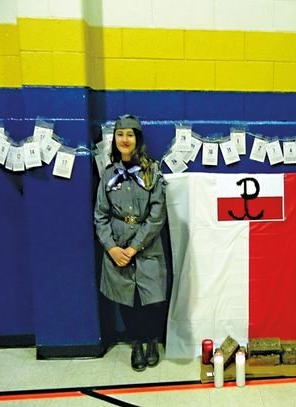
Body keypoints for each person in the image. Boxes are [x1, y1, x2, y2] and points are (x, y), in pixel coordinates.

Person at [94, 114, 168, 371]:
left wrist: (134, 247)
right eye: (120, 134)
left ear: (138, 139)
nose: (124, 139)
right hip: (116, 247)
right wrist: (112, 248)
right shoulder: (108, 175)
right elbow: (100, 216)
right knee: (127, 299)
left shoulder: (152, 172)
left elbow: (157, 215)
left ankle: (150, 341)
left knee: (153, 300)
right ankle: (136, 342)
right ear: (114, 139)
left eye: (130, 134)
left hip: (146, 247)